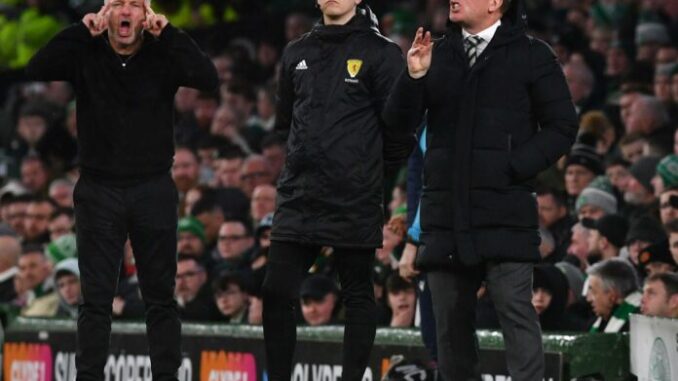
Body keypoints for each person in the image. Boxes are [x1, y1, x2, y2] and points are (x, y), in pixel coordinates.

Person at [383, 0, 578, 379]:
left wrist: (511, 168)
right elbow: (396, 124)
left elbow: (562, 127)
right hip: (444, 219)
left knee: (517, 321)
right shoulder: (432, 55)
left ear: (496, 3)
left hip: (504, 213)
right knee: (450, 336)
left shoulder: (532, 55)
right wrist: (413, 77)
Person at [25, 0, 218, 379]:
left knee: (160, 296)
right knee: (94, 299)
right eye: (117, 4)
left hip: (153, 187)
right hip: (98, 189)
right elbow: (36, 68)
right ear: (106, 12)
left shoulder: (162, 51)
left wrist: (172, 34)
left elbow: (208, 78)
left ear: (145, 14)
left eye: (135, 3)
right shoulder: (86, 51)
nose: (126, 11)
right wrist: (81, 31)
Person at [262, 1, 407, 381]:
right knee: (276, 289)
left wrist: (366, 173)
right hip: (300, 194)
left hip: (353, 194)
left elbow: (398, 132)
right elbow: (285, 123)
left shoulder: (383, 53)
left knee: (357, 290)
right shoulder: (297, 51)